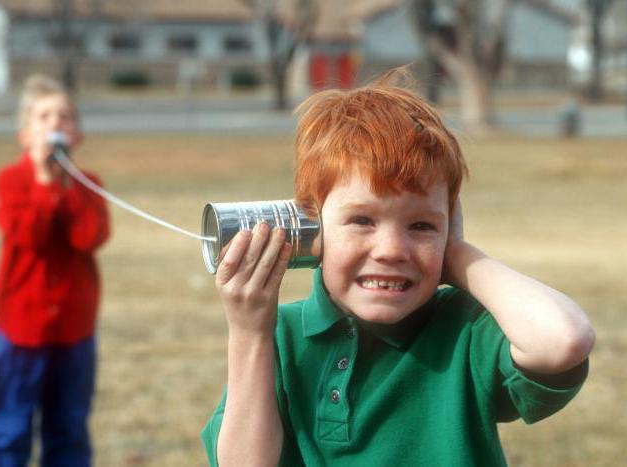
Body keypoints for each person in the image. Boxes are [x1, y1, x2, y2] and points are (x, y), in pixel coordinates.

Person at [201, 69, 595, 466]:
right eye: (362, 221)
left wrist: (456, 255)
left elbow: (564, 340)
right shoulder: (281, 338)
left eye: (422, 225)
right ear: (314, 225)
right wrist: (250, 333)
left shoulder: (467, 330)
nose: (392, 250)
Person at [0, 73, 110, 466]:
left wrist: (67, 186)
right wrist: (43, 181)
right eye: (45, 116)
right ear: (24, 134)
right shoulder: (12, 181)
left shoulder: (89, 185)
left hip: (74, 328)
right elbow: (28, 235)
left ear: (78, 133)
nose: (56, 124)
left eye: (65, 116)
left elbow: (90, 238)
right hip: (22, 327)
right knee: (8, 425)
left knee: (68, 425)